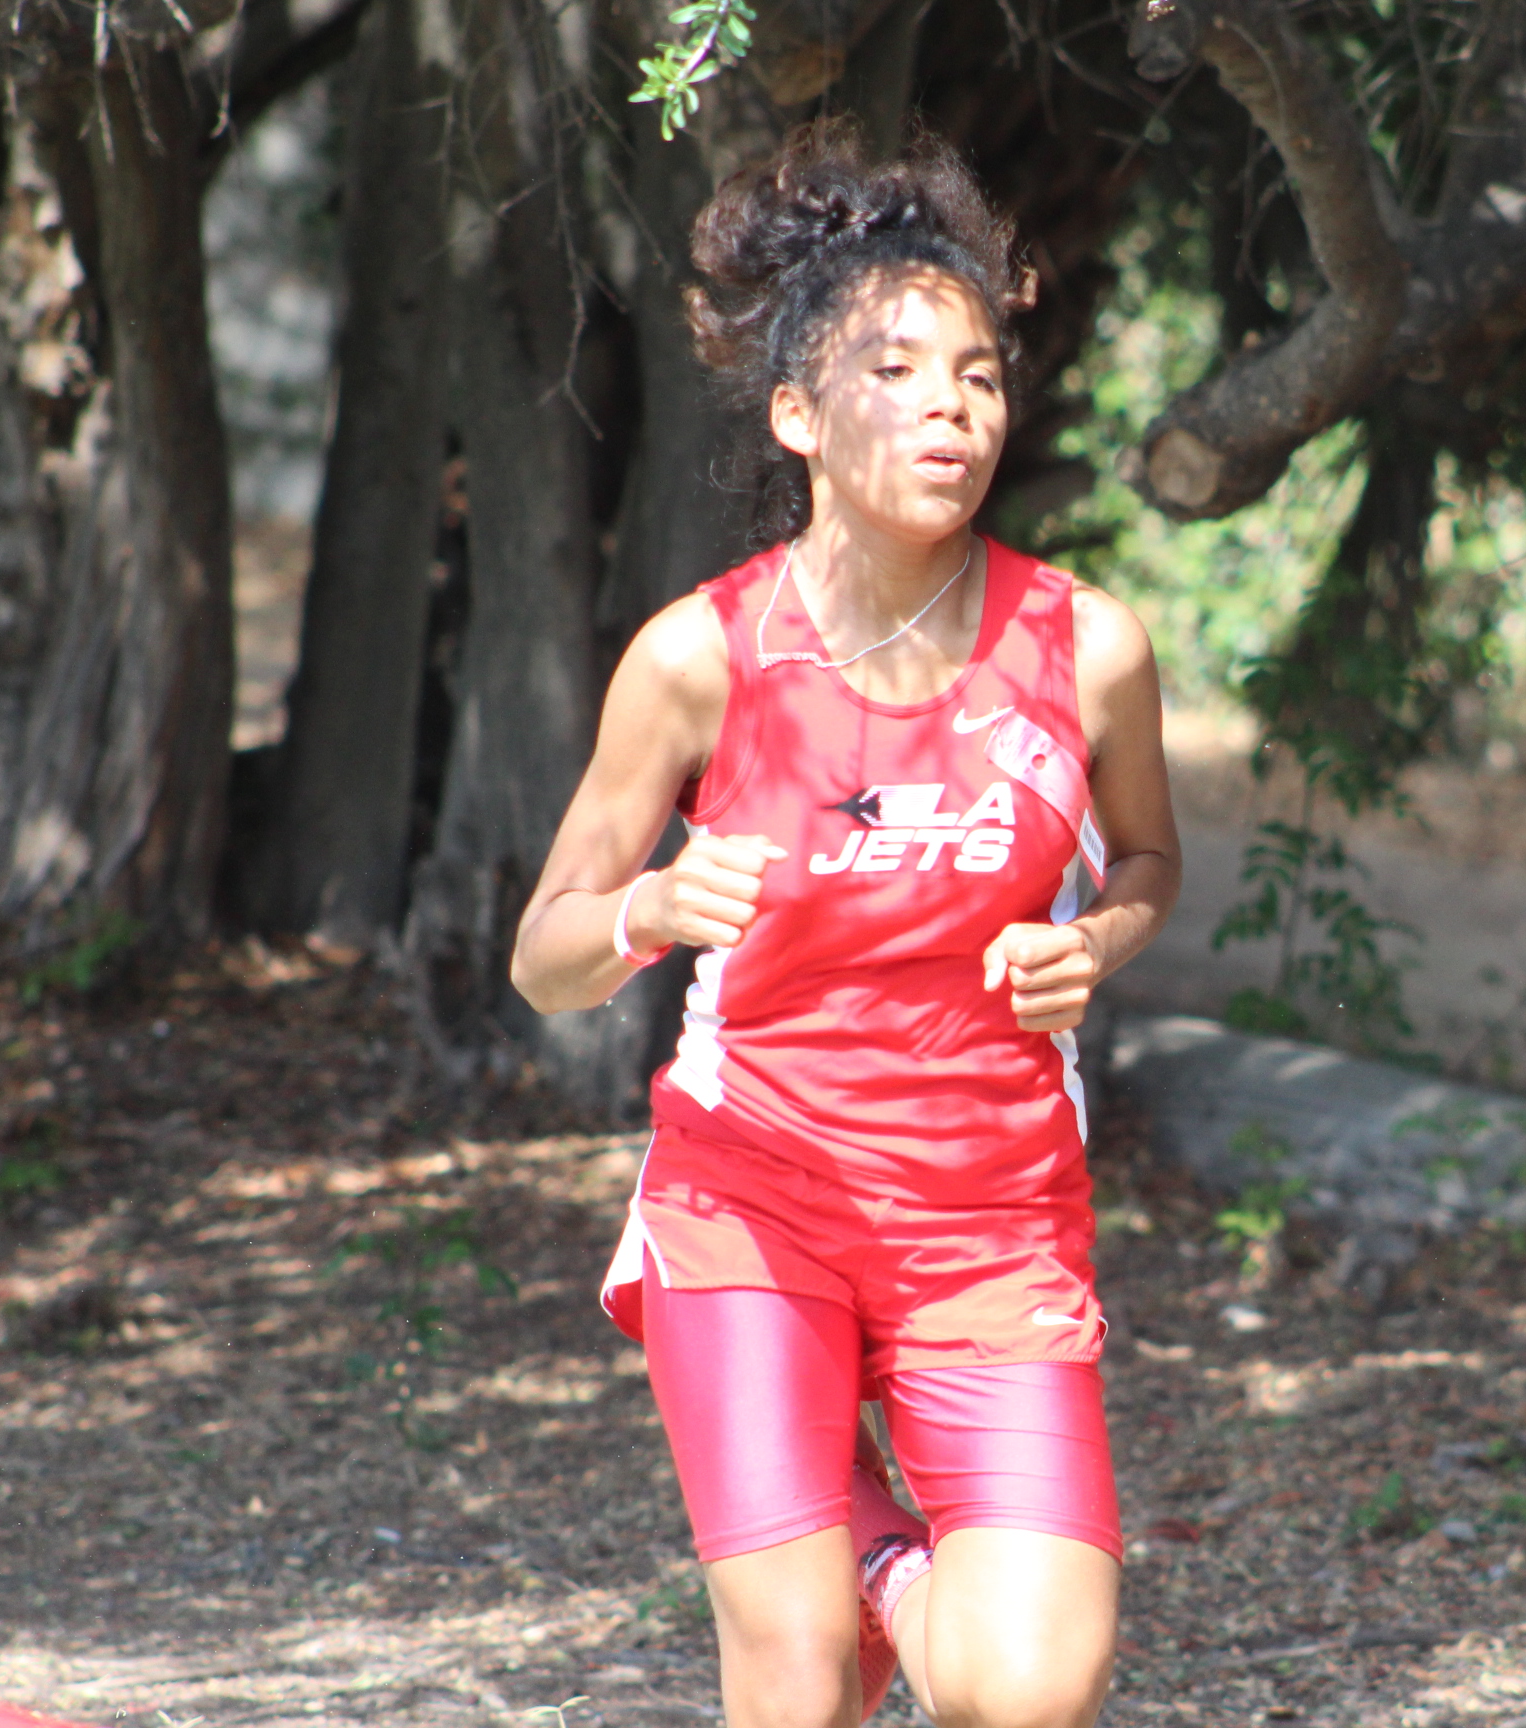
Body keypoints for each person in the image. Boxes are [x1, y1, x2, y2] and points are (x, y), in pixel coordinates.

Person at [509, 122, 1181, 1728]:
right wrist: (652, 906)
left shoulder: (1087, 648)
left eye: (980, 376)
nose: (953, 406)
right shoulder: (702, 659)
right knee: (801, 1681)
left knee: (1026, 1692)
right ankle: (845, 1569)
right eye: (898, 372)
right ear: (800, 415)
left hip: (991, 1220)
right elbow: (543, 957)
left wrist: (1100, 944)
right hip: (753, 1210)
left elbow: (1149, 861)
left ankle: (873, 1553)